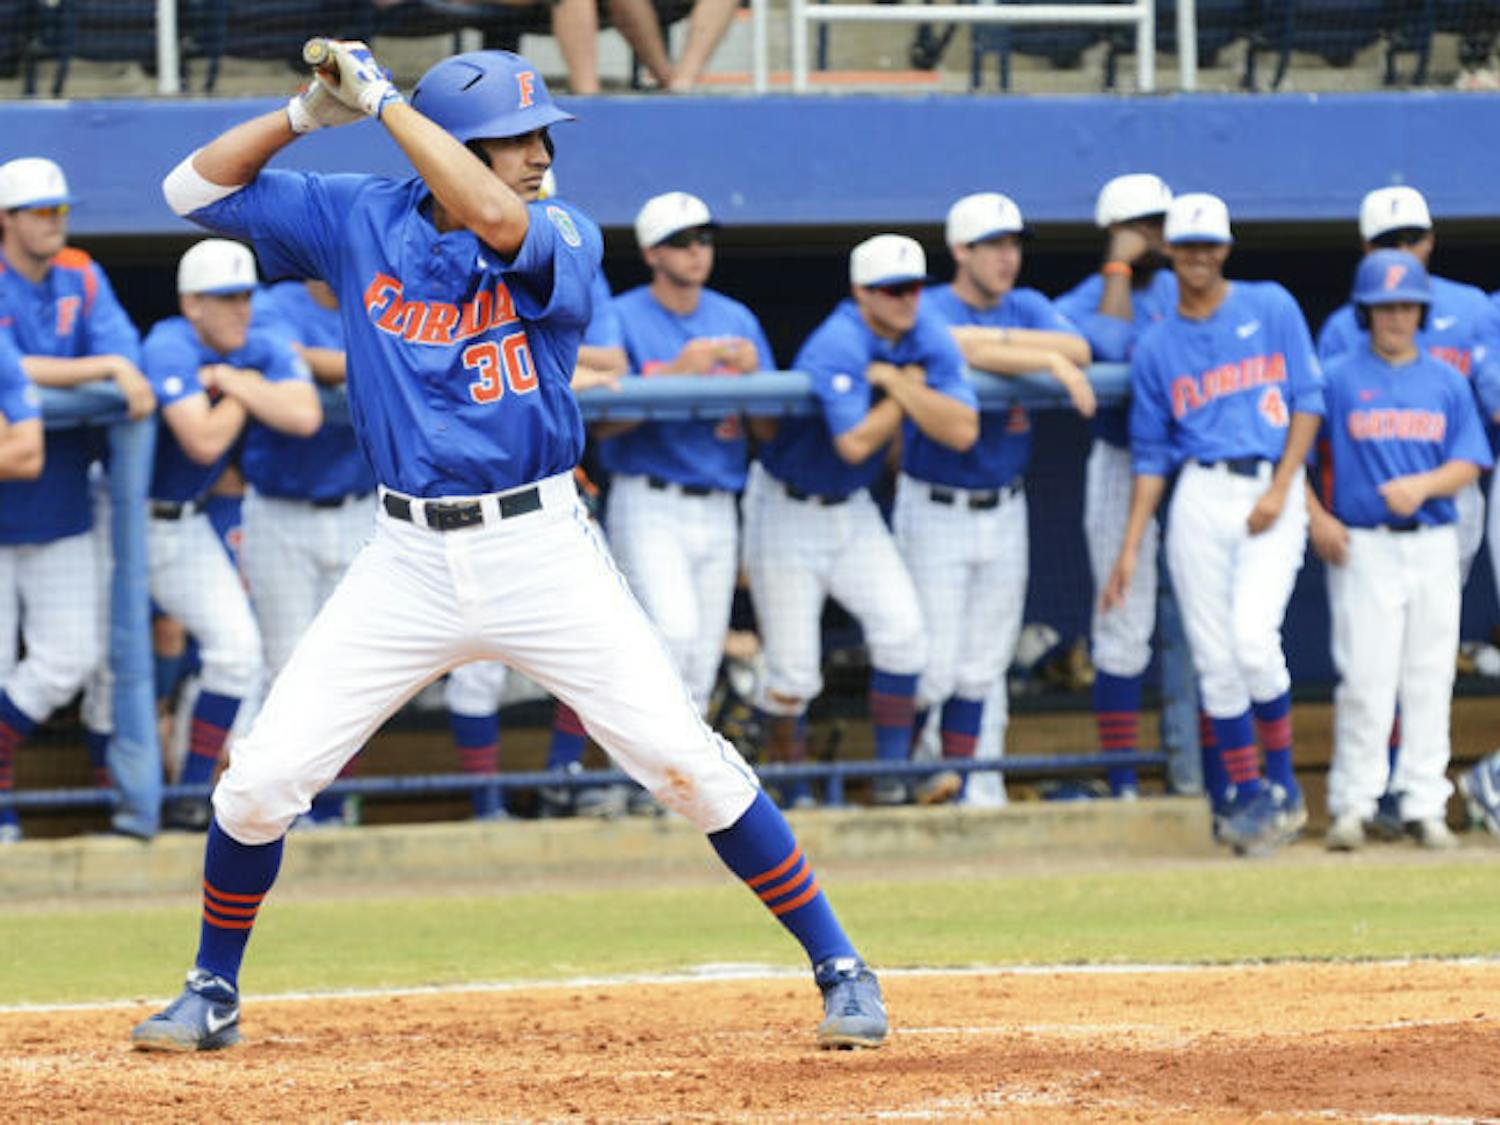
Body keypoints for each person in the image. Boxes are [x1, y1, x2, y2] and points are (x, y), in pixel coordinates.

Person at [132, 43, 885, 1052]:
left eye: (537, 136)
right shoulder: (362, 216)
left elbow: (495, 218)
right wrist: (310, 113)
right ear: (455, 145)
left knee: (681, 763)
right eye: (514, 139)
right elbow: (193, 186)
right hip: (405, 558)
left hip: (539, 546)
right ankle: (212, 990)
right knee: (262, 781)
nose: (537, 154)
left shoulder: (561, 230)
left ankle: (840, 964)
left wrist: (390, 103)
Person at [1102, 192, 1324, 857]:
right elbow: (1150, 454)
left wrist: (1285, 487)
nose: (1199, 256)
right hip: (1199, 489)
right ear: (1170, 250)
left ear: (1225, 249)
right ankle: (1250, 795)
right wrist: (1132, 544)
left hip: (1269, 483)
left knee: (1254, 641)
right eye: (1188, 245)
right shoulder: (1157, 344)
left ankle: (1284, 785)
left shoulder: (1272, 304)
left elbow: (1308, 400)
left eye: (1210, 245)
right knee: (1216, 659)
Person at [744, 233, 978, 807]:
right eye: (890, 289)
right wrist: (906, 395)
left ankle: (892, 775)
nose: (905, 299)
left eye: (914, 288)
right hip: (786, 507)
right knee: (795, 674)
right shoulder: (838, 340)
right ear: (861, 292)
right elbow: (854, 441)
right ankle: (789, 795)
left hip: (852, 509)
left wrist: (896, 383)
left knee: (905, 638)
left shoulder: (926, 333)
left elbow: (963, 430)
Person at [1317, 185, 1500, 835]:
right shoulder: (1337, 375)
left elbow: (1470, 459)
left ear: (1422, 310)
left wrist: (1424, 486)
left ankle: (1425, 805)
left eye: (1407, 306)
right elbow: (1300, 453)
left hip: (1430, 540)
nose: (1396, 316)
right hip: (1365, 543)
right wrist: (1317, 515)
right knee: (1365, 680)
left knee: (1427, 678)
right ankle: (1354, 804)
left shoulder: (1447, 380)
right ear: (1365, 311)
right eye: (1384, 306)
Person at [901, 192, 1092, 807]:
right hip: (935, 502)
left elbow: (1081, 351)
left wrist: (1018, 349)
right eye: (994, 246)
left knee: (985, 661)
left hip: (1005, 505)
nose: (1008, 258)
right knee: (934, 662)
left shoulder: (1030, 304)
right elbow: (947, 341)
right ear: (961, 251)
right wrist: (1040, 360)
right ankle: (922, 778)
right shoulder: (925, 301)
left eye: (1013, 245)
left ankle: (977, 787)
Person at [137, 240, 322, 829]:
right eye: (223, 299)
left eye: (244, 296)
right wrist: (248, 386)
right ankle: (91, 802)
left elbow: (305, 415)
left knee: (238, 655)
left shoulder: (253, 345)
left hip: (182, 522)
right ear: (192, 304)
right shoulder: (169, 340)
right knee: (89, 669)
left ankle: (191, 792)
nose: (239, 310)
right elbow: (205, 440)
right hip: (113, 522)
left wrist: (233, 382)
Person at [0, 156, 153, 843]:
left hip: (60, 505)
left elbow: (130, 357)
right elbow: (14, 365)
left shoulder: (83, 273)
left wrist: (111, 364)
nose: (55, 222)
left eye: (60, 210)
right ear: (7, 220)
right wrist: (100, 368)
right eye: (40, 212)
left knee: (69, 655)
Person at [1055, 173, 1209, 802]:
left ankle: (1216, 780)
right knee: (1123, 623)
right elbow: (1111, 346)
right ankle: (1122, 783)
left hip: (1197, 456)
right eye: (1144, 226)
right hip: (1123, 460)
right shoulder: (1082, 299)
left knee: (1213, 627)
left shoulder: (1189, 287)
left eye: (1161, 225)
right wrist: (1119, 267)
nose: (1159, 237)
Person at [596, 191, 772, 715]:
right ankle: (634, 779)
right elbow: (600, 425)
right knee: (671, 638)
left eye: (703, 239)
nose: (696, 251)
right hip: (649, 498)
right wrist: (677, 375)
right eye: (679, 242)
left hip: (719, 500)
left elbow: (768, 426)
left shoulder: (736, 317)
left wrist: (752, 380)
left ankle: (677, 793)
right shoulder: (619, 316)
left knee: (699, 659)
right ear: (652, 253)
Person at [244, 278, 376, 827]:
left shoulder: (377, 293)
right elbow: (285, 355)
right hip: (281, 509)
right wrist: (372, 361)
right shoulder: (274, 306)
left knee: (354, 670)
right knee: (286, 666)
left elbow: (418, 354)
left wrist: (344, 362)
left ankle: (331, 803)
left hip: (360, 507)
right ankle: (280, 808)